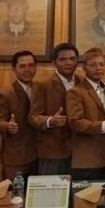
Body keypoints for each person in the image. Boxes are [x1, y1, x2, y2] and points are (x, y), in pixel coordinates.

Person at [29, 43, 81, 175]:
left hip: (80, 150)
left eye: (72, 59)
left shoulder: (83, 83)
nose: (68, 63)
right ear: (54, 62)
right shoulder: (43, 85)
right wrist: (50, 120)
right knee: (51, 188)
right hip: (53, 152)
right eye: (63, 59)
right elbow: (33, 117)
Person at [66, 47, 105, 181]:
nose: (98, 68)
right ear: (84, 67)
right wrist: (103, 126)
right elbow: (75, 123)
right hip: (87, 160)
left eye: (101, 64)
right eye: (93, 65)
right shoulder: (76, 92)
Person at [0, 50, 39, 179]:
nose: (27, 70)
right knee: (14, 191)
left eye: (31, 65)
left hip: (40, 155)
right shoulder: (5, 93)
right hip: (16, 157)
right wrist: (7, 126)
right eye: (22, 66)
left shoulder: (41, 88)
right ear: (14, 68)